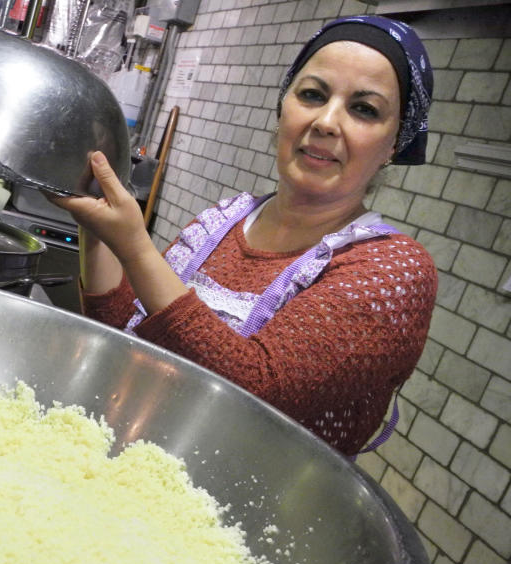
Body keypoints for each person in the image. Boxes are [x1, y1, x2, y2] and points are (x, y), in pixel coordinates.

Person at [51, 16, 437, 456]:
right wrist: (96, 228)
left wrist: (136, 247)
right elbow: (126, 330)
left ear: (394, 145)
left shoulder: (392, 270)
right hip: (133, 455)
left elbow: (257, 392)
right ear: (283, 108)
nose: (326, 122)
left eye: (364, 109)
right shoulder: (227, 219)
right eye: (312, 95)